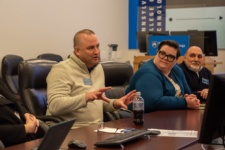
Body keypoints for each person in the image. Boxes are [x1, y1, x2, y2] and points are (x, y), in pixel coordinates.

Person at [46, 29, 136, 128]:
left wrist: (115, 103)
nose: (96, 51)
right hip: (71, 130)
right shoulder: (61, 69)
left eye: (97, 46)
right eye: (90, 48)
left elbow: (99, 103)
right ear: (77, 51)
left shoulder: (98, 68)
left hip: (97, 129)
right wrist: (86, 97)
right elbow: (55, 106)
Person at [126, 40, 200, 113]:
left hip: (172, 115)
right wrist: (185, 102)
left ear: (176, 59)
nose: (165, 58)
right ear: (157, 52)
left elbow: (187, 93)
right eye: (162, 53)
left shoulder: (177, 70)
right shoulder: (148, 72)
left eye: (170, 56)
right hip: (143, 118)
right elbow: (154, 102)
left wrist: (192, 99)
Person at [0, 78, 39, 147]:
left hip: (29, 140)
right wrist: (26, 128)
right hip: (11, 145)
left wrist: (27, 115)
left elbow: (15, 102)